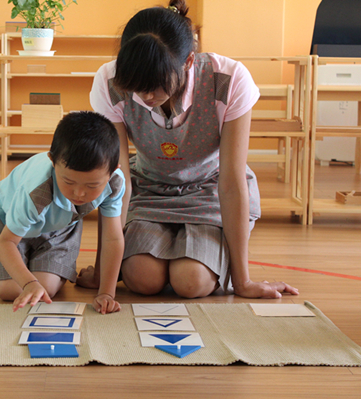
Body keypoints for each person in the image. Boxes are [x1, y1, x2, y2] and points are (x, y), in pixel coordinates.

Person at [79, 1, 299, 299]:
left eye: (155, 84)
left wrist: (243, 281)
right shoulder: (110, 81)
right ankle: (170, 258)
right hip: (149, 188)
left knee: (191, 282)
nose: (145, 95)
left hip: (210, 188)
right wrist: (102, 270)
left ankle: (195, 261)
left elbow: (232, 181)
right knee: (141, 278)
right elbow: (119, 181)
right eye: (137, 85)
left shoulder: (228, 79)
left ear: (189, 62)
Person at [0, 111, 125, 314]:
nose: (79, 194)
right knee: (8, 289)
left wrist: (107, 293)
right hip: (7, 220)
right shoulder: (37, 192)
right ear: (52, 161)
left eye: (92, 185)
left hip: (58, 224)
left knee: (46, 288)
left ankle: (42, 264)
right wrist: (29, 283)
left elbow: (112, 239)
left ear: (113, 171)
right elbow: (6, 243)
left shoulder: (115, 182)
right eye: (68, 181)